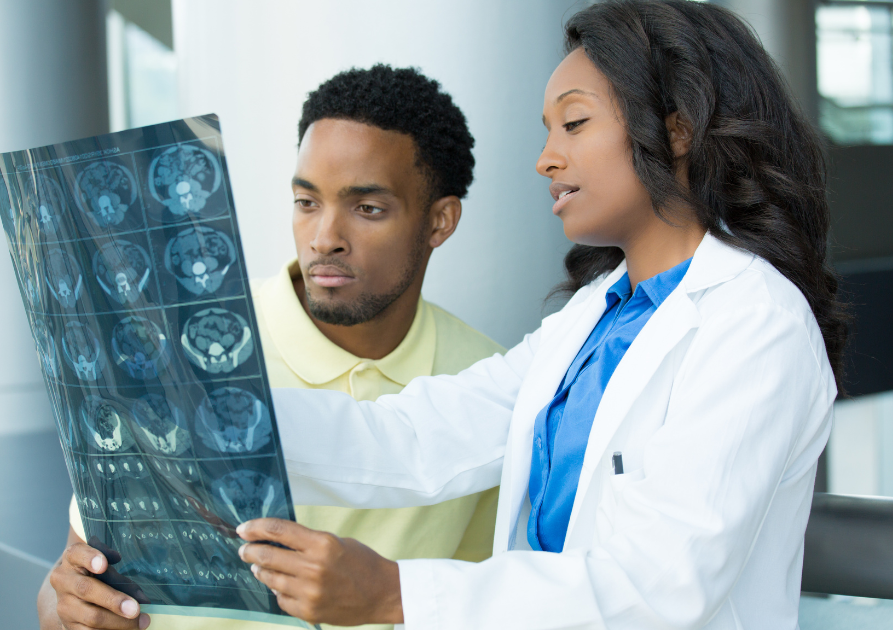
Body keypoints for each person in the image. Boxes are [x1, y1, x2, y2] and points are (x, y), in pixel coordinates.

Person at [222, 2, 846, 628]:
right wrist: (216, 416)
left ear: (677, 130)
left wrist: (397, 594)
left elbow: (658, 590)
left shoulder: (757, 323)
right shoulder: (595, 314)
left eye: (574, 123)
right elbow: (416, 440)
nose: (545, 160)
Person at [37, 65, 504, 630]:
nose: (324, 236)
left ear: (440, 221)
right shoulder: (172, 351)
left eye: (367, 208)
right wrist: (74, 612)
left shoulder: (488, 383)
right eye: (307, 202)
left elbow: (484, 598)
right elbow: (64, 590)